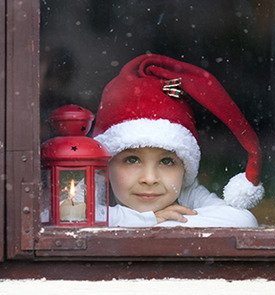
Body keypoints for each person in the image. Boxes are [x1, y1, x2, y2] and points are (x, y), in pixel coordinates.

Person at [92, 54, 264, 228]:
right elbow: (71, 217)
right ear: (106, 164)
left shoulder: (185, 193)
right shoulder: (91, 187)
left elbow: (242, 220)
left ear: (184, 168)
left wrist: (155, 224)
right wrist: (149, 220)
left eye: (167, 161)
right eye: (132, 159)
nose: (150, 179)